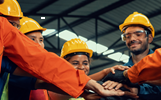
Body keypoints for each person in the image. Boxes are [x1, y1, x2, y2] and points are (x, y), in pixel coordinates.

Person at [0, 0, 130, 99]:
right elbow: (44, 80)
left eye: (41, 40)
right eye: (32, 39)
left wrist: (87, 88)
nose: (38, 45)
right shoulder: (12, 70)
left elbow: (46, 67)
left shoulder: (7, 63)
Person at [101, 12, 161, 100]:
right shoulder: (121, 70)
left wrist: (136, 89)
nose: (132, 39)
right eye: (127, 36)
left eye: (138, 34)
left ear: (149, 38)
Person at [48, 38, 139, 100]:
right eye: (75, 63)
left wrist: (106, 72)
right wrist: (104, 73)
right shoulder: (54, 87)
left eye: (85, 63)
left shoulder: (87, 92)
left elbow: (82, 81)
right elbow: (75, 84)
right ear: (64, 64)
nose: (81, 67)